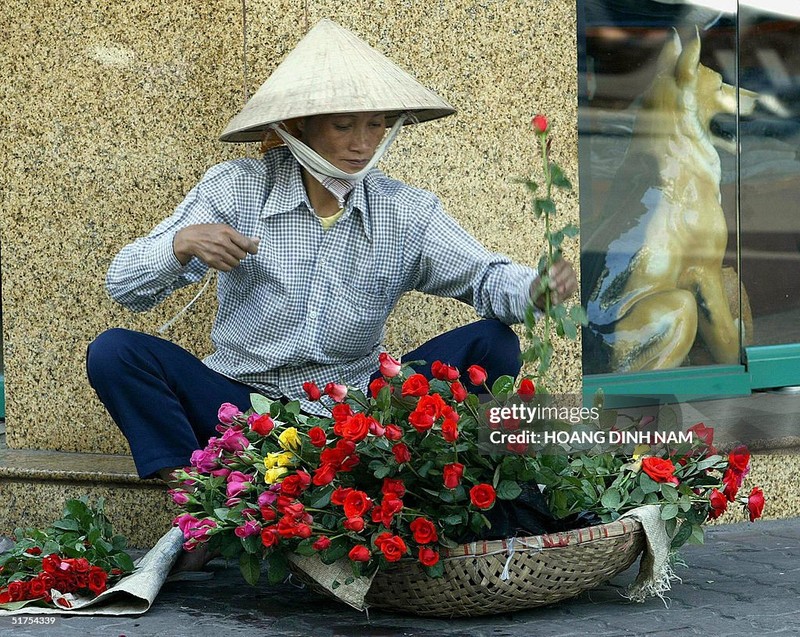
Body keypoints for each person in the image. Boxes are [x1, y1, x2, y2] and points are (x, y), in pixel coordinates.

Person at [87, 19, 577, 491]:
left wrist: (535, 290)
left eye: (377, 126)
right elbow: (124, 285)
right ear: (299, 126)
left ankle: (421, 484)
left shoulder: (404, 211)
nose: (363, 144)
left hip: (355, 413)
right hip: (237, 408)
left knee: (493, 344)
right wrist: (183, 244)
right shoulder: (236, 188)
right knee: (114, 352)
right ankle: (199, 502)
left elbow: (484, 276)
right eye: (343, 126)